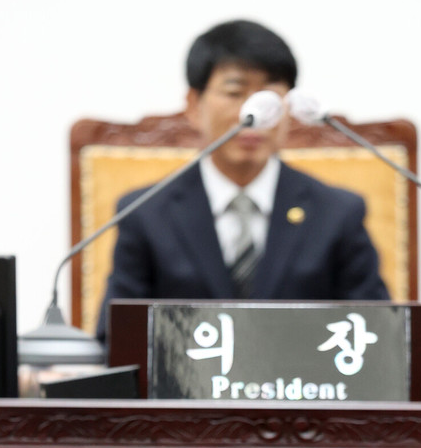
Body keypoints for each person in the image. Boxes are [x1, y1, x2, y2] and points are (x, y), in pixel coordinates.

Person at [96, 20, 389, 344]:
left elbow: (376, 334)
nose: (255, 114)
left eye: (269, 98)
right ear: (193, 105)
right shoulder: (145, 212)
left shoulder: (338, 213)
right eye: (234, 93)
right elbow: (116, 338)